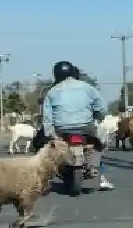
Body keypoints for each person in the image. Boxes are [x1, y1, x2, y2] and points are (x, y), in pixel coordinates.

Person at [42, 59, 113, 190]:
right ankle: (93, 167)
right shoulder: (87, 87)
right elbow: (102, 107)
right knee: (97, 143)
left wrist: (51, 134)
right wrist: (99, 117)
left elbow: (47, 117)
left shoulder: (52, 92)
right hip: (85, 126)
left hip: (61, 129)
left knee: (54, 149)